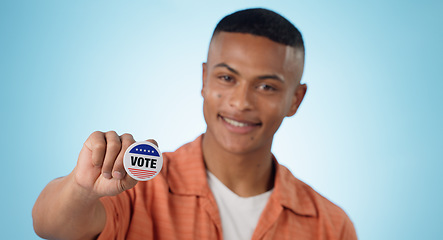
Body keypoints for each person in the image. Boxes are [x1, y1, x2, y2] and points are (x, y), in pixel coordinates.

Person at [32, 8, 357, 240]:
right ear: (204, 79)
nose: (241, 101)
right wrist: (80, 190)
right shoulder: (136, 186)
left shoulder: (331, 226)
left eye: (267, 86)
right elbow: (49, 226)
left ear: (296, 100)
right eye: (227, 78)